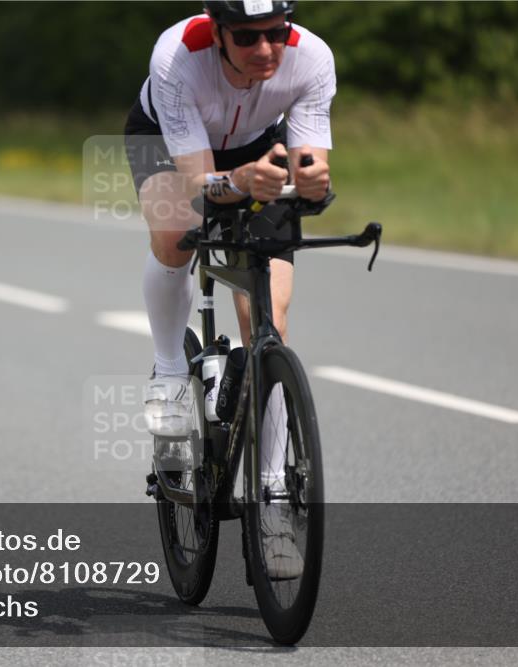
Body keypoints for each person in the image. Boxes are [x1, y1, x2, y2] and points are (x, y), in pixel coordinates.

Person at [125, 0, 335, 578]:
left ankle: (271, 500)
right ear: (218, 32)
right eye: (247, 37)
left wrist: (312, 179)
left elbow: (309, 161)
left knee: (271, 321)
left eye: (275, 33)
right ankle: (170, 370)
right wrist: (237, 181)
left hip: (254, 152)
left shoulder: (312, 57)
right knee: (175, 234)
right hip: (170, 146)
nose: (265, 49)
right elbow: (198, 184)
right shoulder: (178, 56)